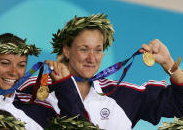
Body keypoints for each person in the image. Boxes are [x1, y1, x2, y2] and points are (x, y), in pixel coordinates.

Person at [44, 13, 183, 129]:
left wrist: (169, 63)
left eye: (98, 50)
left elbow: (179, 104)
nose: (92, 58)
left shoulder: (123, 95)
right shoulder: (37, 89)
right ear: (67, 51)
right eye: (84, 49)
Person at [0, 33, 76, 129]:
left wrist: (65, 84)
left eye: (21, 65)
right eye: (5, 63)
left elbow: (78, 125)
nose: (13, 72)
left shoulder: (40, 108)